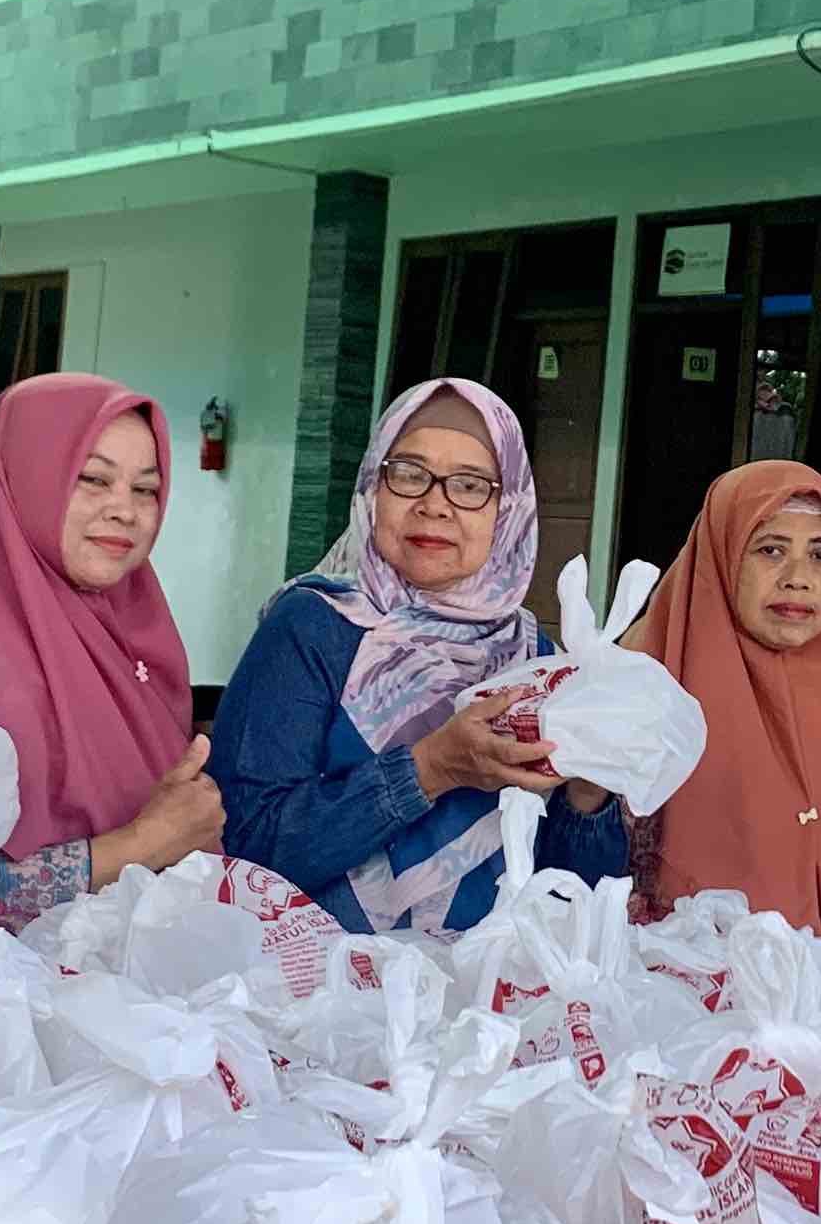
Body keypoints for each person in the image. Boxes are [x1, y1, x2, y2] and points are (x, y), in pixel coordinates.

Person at [214, 379, 626, 933]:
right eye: (408, 474)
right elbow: (245, 846)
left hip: (477, 1000)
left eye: (471, 485)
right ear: (372, 488)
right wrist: (430, 769)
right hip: (313, 988)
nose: (435, 505)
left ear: (509, 510)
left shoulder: (534, 657)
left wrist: (589, 790)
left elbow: (576, 894)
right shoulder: (313, 628)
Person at [0, 373, 223, 936]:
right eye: (92, 480)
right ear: (26, 480)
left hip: (136, 997)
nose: (124, 511)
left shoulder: (140, 636)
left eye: (146, 489)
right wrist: (140, 845)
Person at [629, 461, 821, 931]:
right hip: (684, 982)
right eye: (770, 549)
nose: (798, 578)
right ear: (722, 559)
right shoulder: (648, 685)